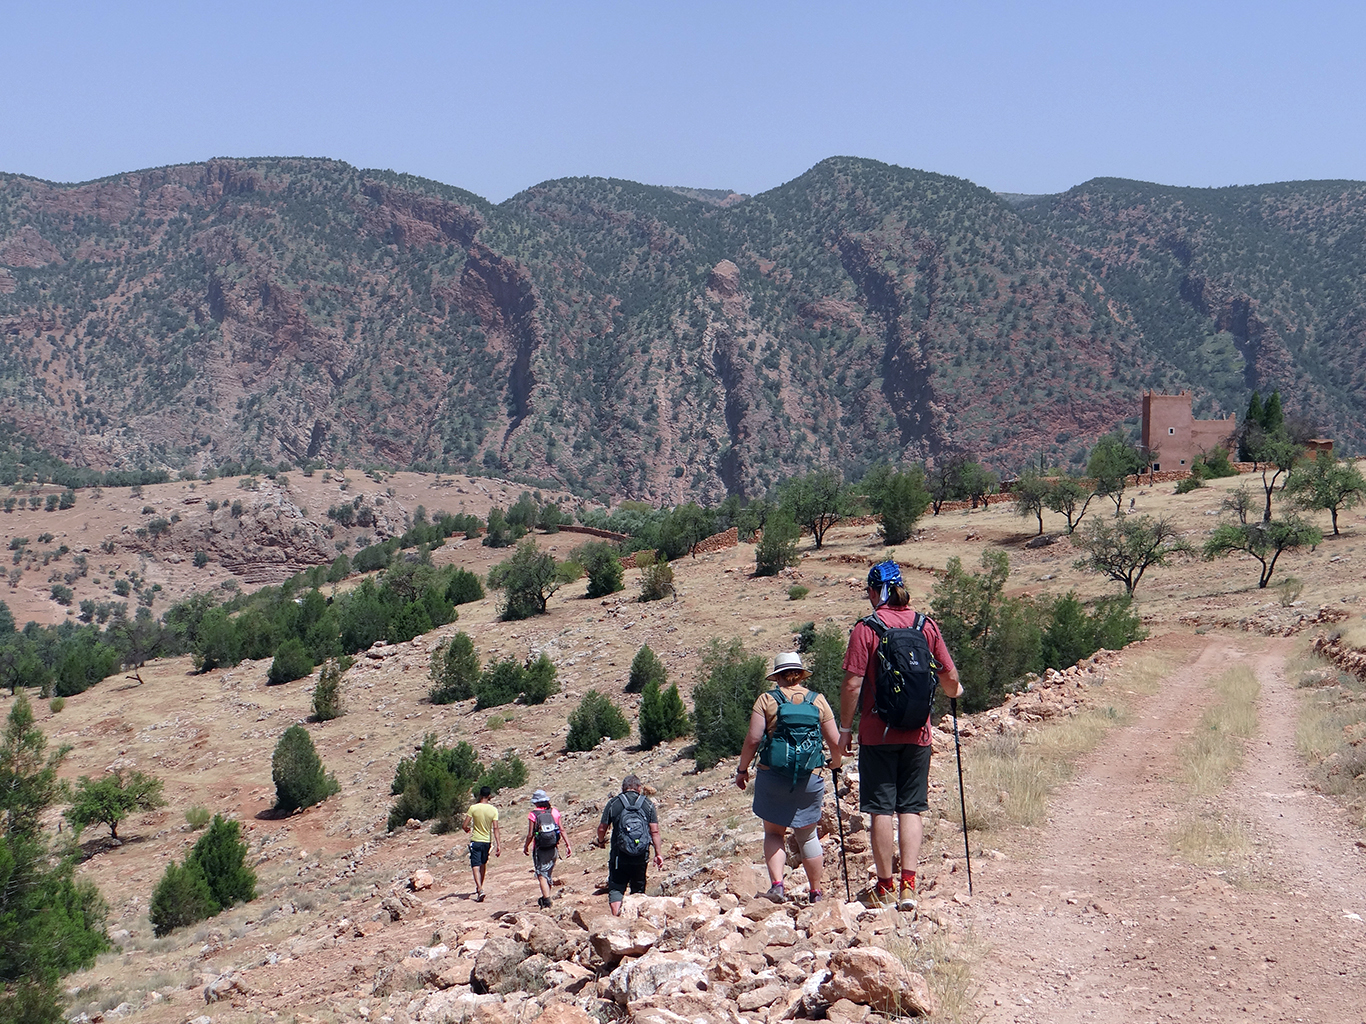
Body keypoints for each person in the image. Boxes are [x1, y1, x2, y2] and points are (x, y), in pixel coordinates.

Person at [840, 560, 962, 910]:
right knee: (911, 807)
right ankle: (909, 885)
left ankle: (885, 886)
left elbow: (852, 683)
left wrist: (845, 729)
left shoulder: (867, 628)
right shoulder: (926, 625)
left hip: (878, 733)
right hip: (917, 732)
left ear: (875, 591)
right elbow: (950, 680)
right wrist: (956, 693)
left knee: (880, 810)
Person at [735, 652, 843, 903]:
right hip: (810, 777)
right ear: (800, 674)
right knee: (807, 835)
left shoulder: (767, 700)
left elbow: (752, 739)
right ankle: (815, 892)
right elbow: (835, 741)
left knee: (774, 832)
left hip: (773, 775)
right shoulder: (818, 700)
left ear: (777, 676)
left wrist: (742, 771)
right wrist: (834, 764)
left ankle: (777, 886)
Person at [596, 775, 663, 915]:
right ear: (639, 788)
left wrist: (601, 841)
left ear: (623, 788)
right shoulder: (648, 804)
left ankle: (617, 918)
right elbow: (654, 831)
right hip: (641, 854)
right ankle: (635, 921)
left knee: (616, 887)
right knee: (638, 887)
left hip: (619, 855)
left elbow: (602, 828)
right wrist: (658, 854)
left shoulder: (613, 803)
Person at [524, 789, 571, 909]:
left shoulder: (533, 814)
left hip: (540, 848)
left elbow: (530, 834)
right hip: (553, 847)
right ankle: (547, 897)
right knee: (548, 873)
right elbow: (562, 829)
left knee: (541, 875)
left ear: (535, 802)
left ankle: (547, 901)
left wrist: (526, 846)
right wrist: (568, 845)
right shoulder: (554, 812)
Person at [462, 785, 502, 902]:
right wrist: (498, 844)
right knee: (483, 863)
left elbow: (465, 824)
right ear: (489, 796)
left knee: (475, 864)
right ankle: (480, 887)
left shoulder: (473, 808)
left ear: (480, 795)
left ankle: (479, 888)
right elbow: (495, 828)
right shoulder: (493, 810)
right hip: (487, 841)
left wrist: (466, 829)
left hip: (476, 839)